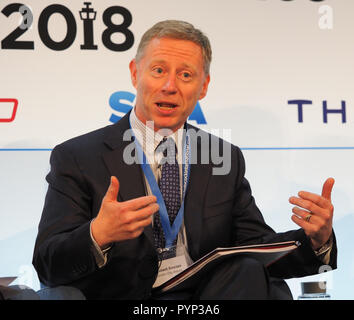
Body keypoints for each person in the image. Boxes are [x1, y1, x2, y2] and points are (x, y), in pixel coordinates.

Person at [32, 20, 337, 300]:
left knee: (247, 270)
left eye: (186, 75)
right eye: (159, 70)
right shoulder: (78, 156)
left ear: (203, 86)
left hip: (204, 297)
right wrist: (98, 233)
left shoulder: (222, 156)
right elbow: (47, 263)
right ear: (135, 73)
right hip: (126, 297)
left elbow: (256, 245)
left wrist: (315, 240)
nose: (170, 85)